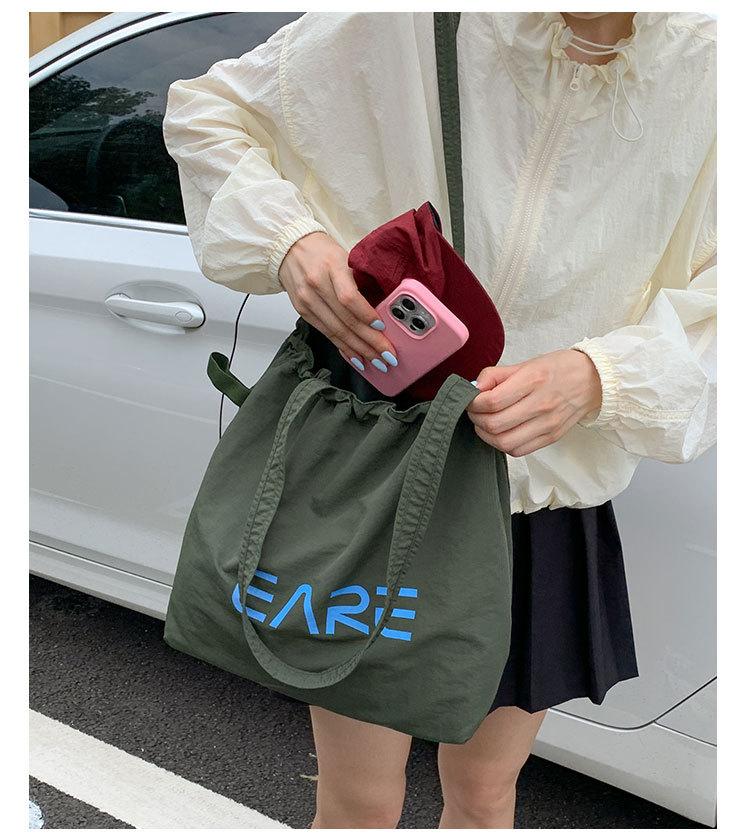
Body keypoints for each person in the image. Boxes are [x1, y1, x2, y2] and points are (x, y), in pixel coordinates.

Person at [162, 11, 716, 829]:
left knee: (486, 795)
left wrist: (605, 376)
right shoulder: (408, 21)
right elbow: (208, 111)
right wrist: (291, 239)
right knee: (358, 803)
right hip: (380, 471)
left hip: (541, 492)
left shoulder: (714, 66)